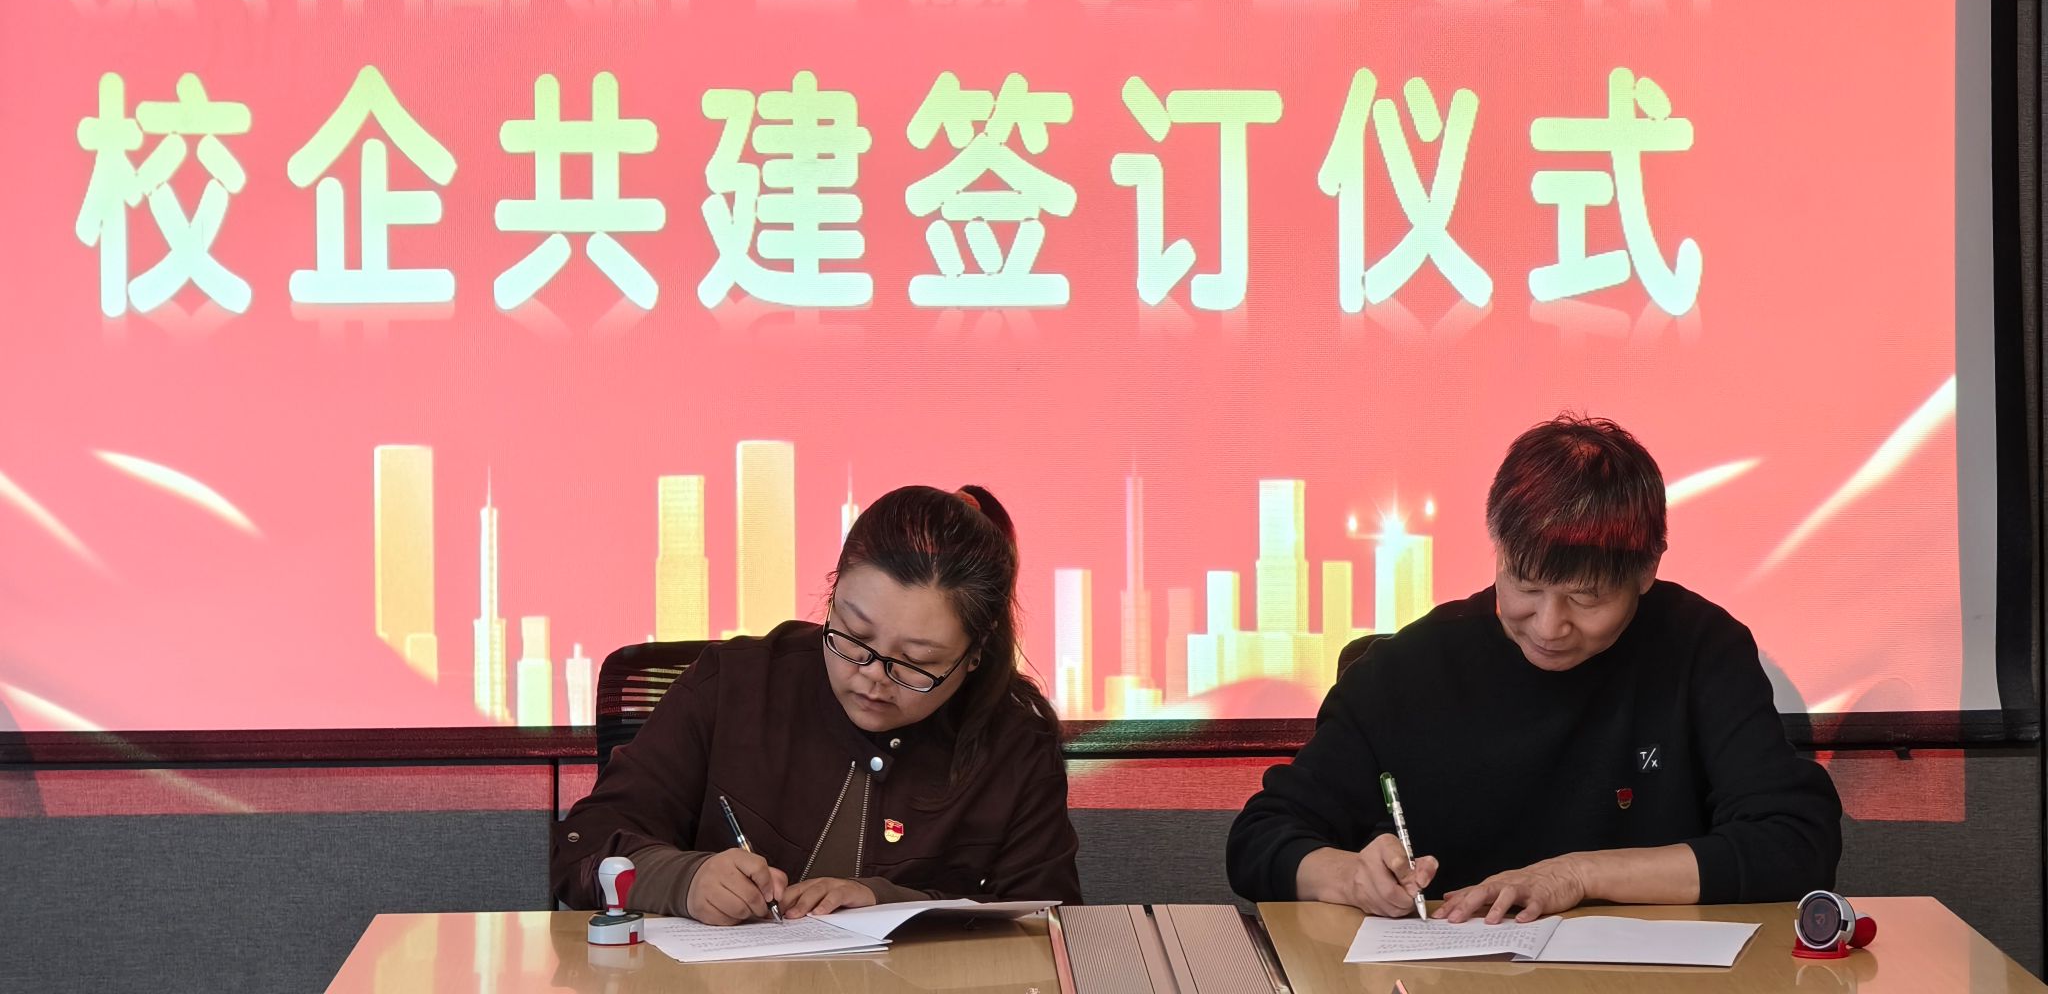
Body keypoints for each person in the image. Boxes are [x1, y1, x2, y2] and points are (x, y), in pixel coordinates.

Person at [1226, 414, 1842, 923]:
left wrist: (1577, 876)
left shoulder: (1702, 651)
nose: (1549, 626)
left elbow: (1795, 843)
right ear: (1498, 550)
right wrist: (1347, 876)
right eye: (1525, 586)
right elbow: (1260, 838)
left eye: (1586, 598)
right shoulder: (1407, 670)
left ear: (1647, 570)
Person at [552, 484, 1080, 922]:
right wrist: (683, 881)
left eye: (917, 661)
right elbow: (581, 848)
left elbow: (1050, 920)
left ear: (974, 653)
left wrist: (891, 903)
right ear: (832, 594)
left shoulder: (1016, 742)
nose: (873, 676)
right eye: (854, 636)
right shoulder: (736, 683)